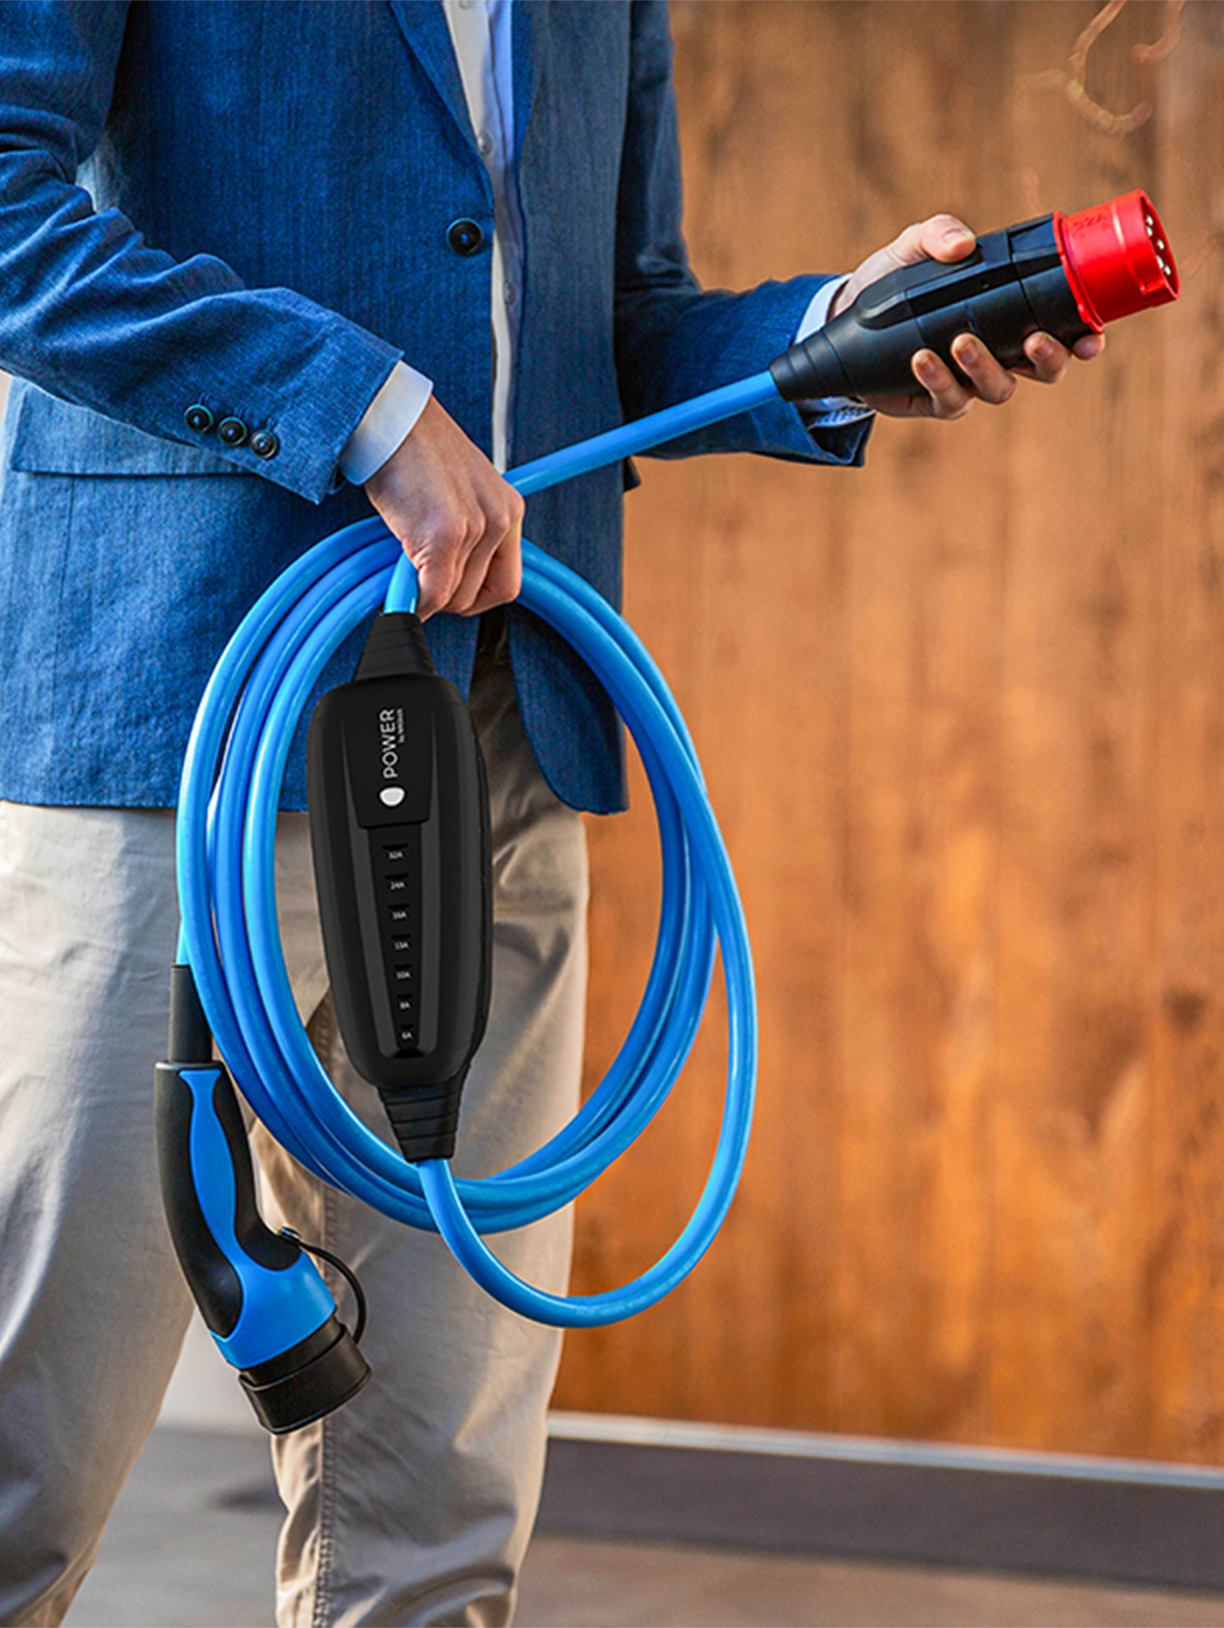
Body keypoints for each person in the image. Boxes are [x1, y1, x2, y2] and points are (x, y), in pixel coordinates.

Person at [0, 3, 1101, 1623]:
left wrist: (847, 327)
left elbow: (611, 328)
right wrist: (363, 410)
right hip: (181, 737)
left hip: (510, 738)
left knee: (438, 1510)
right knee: (30, 1461)